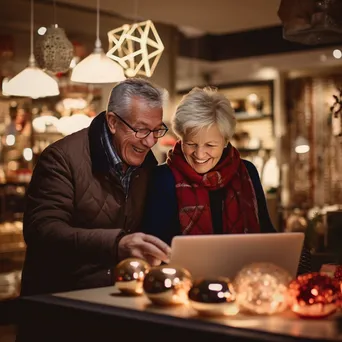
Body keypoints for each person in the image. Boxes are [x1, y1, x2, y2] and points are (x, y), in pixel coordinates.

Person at [20, 78, 172, 296]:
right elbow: (42, 232)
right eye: (141, 130)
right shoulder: (61, 158)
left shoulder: (147, 165)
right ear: (112, 122)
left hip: (117, 298)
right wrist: (116, 244)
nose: (150, 142)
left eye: (157, 130)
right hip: (60, 302)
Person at [142, 86, 311, 275]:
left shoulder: (247, 172)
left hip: (245, 282)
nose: (199, 154)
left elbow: (265, 231)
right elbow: (155, 247)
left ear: (225, 141)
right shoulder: (162, 178)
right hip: (182, 285)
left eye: (210, 145)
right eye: (191, 144)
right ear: (181, 138)